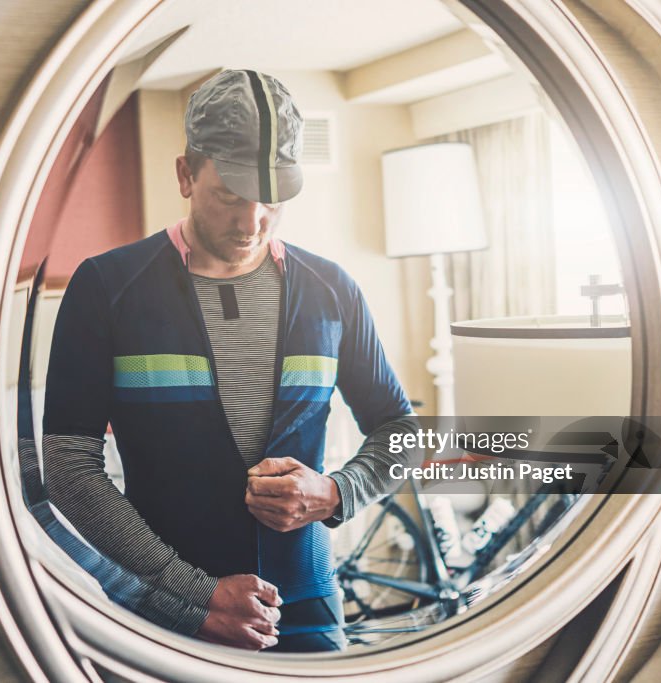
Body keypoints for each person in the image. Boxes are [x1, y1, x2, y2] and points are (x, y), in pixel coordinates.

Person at [42, 69, 417, 653]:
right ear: (186, 175)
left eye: (272, 200)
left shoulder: (332, 288)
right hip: (168, 606)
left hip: (307, 601)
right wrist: (193, 593)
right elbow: (68, 468)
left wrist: (338, 492)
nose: (252, 223)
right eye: (231, 197)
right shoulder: (106, 286)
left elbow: (402, 431)